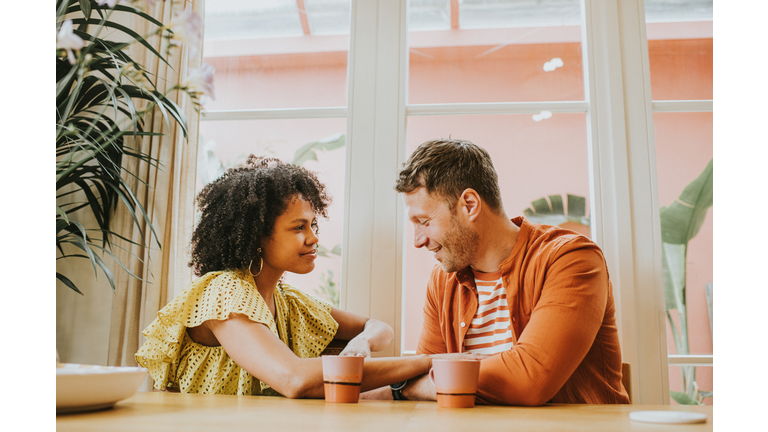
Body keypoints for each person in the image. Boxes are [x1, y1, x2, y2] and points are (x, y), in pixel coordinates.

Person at [136, 155, 431, 398]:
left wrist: (363, 342)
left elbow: (379, 327)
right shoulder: (224, 293)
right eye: (298, 227)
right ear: (258, 236)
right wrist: (428, 362)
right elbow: (295, 380)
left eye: (313, 224)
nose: (314, 238)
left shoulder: (287, 301)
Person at [364, 138, 630, 405]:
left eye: (424, 222)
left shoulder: (570, 258)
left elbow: (528, 381)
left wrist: (409, 388)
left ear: (469, 205)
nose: (418, 240)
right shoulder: (443, 280)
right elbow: (420, 376)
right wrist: (412, 385)